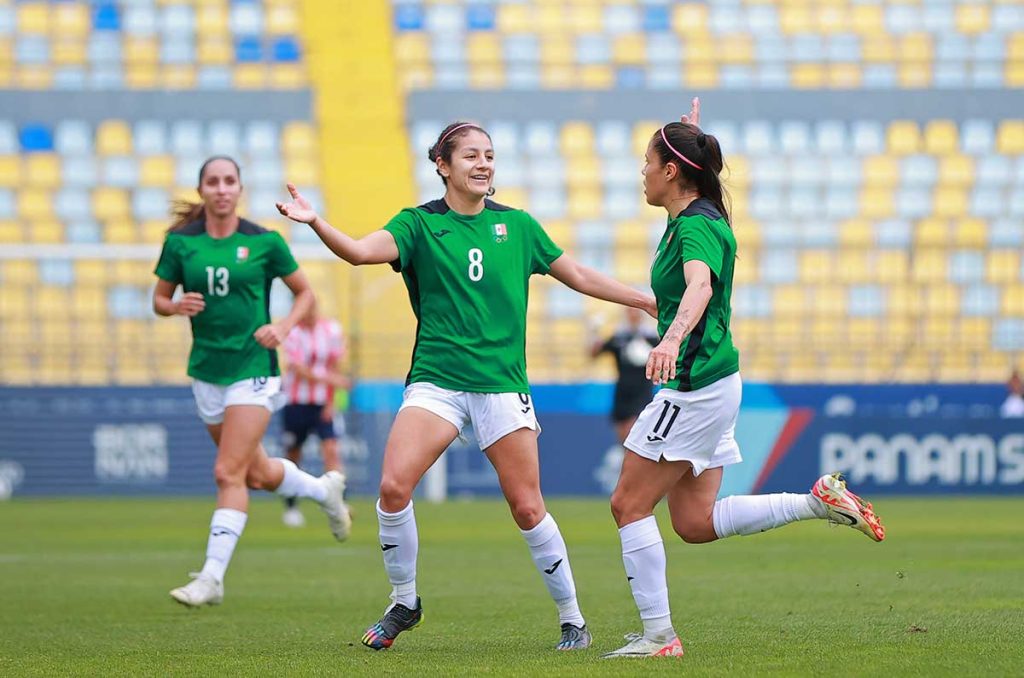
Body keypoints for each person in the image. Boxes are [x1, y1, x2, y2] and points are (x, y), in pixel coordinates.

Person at [276, 122, 656, 651]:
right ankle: (404, 601)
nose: (483, 164)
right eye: (472, 155)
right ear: (443, 165)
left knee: (527, 507)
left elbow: (581, 276)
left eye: (490, 156)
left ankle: (572, 616)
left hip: (501, 385)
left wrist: (642, 300)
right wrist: (316, 221)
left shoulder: (518, 226)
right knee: (392, 488)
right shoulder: (418, 225)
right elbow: (361, 252)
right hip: (438, 381)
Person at [602, 104, 886, 659]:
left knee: (627, 505)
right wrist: (687, 135)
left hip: (695, 388)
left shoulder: (697, 226)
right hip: (715, 384)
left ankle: (660, 638)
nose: (641, 171)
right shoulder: (693, 215)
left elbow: (700, 288)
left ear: (670, 172)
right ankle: (818, 502)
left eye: (648, 161)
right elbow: (692, 233)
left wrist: (669, 339)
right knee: (694, 522)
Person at [153, 156, 352, 608]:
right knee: (257, 474)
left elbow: (306, 293)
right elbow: (160, 300)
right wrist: (174, 306)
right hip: (207, 371)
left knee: (228, 472)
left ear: (239, 189)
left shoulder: (264, 243)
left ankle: (212, 576)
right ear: (201, 189)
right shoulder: (181, 244)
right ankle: (324, 490)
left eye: (229, 181)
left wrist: (282, 329)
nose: (221, 189)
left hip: (254, 371)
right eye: (213, 182)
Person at [280, 300, 351, 527]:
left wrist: (331, 402)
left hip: (322, 403)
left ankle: (340, 503)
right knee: (293, 454)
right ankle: (291, 506)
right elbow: (298, 369)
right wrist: (331, 380)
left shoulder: (331, 330)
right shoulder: (292, 332)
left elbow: (337, 364)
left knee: (331, 450)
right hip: (296, 402)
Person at [590, 307, 660, 445]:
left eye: (635, 311)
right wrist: (593, 332)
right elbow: (594, 353)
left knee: (634, 431)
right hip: (622, 390)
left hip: (642, 391)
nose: (632, 314)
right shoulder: (619, 336)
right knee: (622, 433)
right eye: (630, 311)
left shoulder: (651, 337)